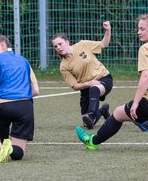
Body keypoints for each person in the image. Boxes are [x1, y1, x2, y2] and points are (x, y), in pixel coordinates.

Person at [76, 14, 148, 149]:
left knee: (118, 114)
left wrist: (136, 103)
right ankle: (144, 122)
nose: (138, 32)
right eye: (138, 28)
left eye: (142, 29)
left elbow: (146, 77)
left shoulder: (145, 48)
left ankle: (92, 141)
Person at [0, 35, 39, 163]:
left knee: (2, 119)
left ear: (2, 45)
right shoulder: (24, 60)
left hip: (1, 107)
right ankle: (11, 149)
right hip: (24, 107)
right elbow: (35, 91)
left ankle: (4, 145)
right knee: (18, 154)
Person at [51, 21, 113, 129]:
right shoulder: (64, 66)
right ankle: (102, 110)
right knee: (86, 124)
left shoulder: (82, 44)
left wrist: (108, 29)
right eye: (55, 46)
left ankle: (92, 116)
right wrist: (89, 83)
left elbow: (104, 44)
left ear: (67, 42)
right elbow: (75, 86)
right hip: (86, 88)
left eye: (60, 44)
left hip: (103, 79)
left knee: (94, 89)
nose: (58, 48)